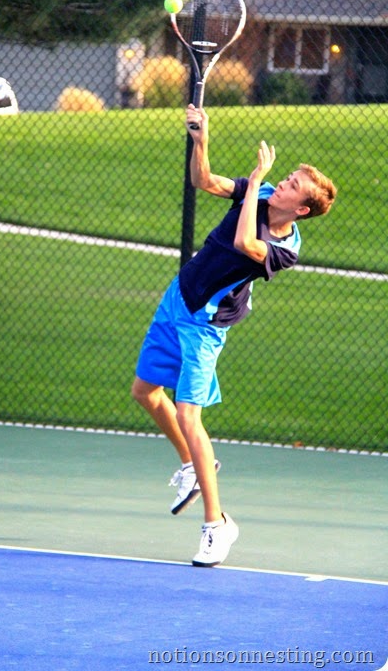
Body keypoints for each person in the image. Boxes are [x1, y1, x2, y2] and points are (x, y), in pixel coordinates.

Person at [131, 103, 337, 567]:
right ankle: (192, 465)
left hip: (205, 325)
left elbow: (245, 243)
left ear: (301, 209)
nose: (281, 183)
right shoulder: (259, 192)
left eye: (292, 186)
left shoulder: (285, 248)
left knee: (189, 414)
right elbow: (204, 181)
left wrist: (256, 179)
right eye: (286, 177)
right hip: (179, 298)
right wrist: (201, 140)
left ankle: (217, 525)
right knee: (144, 391)